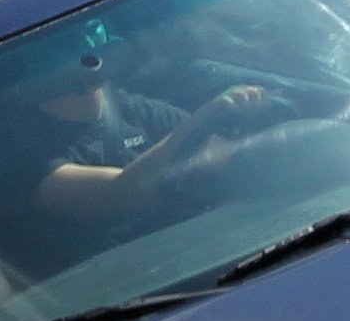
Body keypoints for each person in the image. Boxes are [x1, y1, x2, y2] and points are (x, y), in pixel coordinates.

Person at [14, 40, 274, 222]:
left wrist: (246, 121)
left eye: (82, 40)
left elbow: (211, 147)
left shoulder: (127, 105)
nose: (87, 51)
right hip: (118, 285)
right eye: (61, 48)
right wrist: (209, 112)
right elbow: (120, 195)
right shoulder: (26, 153)